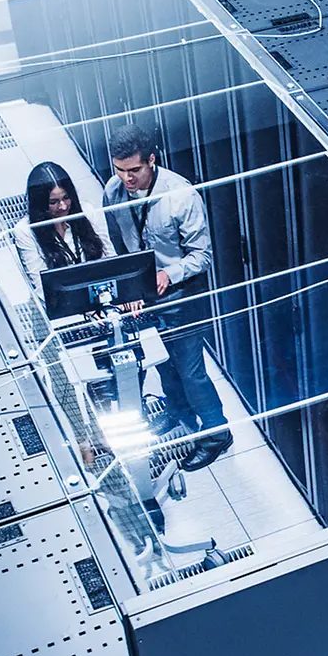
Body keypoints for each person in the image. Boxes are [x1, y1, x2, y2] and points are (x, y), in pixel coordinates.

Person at [102, 124, 232, 470]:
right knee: (163, 362)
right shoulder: (113, 190)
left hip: (181, 293)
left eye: (134, 170)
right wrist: (129, 285)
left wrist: (168, 274)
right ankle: (177, 411)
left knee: (191, 371)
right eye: (120, 170)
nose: (127, 178)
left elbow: (202, 256)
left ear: (152, 160)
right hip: (144, 295)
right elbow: (118, 243)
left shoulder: (181, 196)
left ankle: (217, 434)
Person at [14, 161, 114, 289]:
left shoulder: (86, 211)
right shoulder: (25, 231)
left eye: (66, 197)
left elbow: (110, 256)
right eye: (53, 202)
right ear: (40, 204)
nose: (63, 206)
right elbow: (40, 285)